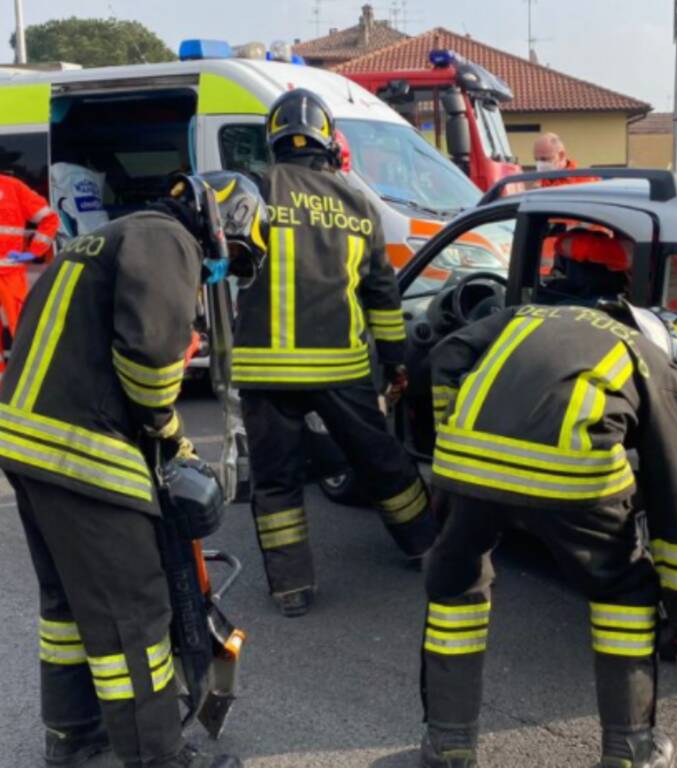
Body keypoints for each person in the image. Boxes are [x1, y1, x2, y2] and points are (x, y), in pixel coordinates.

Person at [0, 170, 267, 768]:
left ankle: (72, 737)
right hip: (83, 454)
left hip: (31, 448)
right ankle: (158, 757)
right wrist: (173, 440)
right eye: (224, 263)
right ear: (224, 224)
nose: (213, 277)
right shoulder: (168, 239)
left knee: (69, 609)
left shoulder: (105, 237)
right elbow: (148, 360)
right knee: (134, 617)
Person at [419, 266, 677, 766]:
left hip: (465, 465)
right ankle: (629, 748)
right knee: (624, 591)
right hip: (573, 476)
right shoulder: (652, 363)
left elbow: (447, 352)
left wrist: (454, 427)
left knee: (456, 586)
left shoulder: (528, 316)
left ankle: (448, 744)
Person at [232, 88, 437, 618]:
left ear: (275, 139)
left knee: (275, 481)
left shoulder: (253, 188)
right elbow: (382, 296)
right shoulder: (357, 202)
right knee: (382, 460)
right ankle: (425, 546)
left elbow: (225, 263)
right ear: (327, 141)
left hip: (265, 371)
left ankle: (292, 588)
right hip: (341, 368)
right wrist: (394, 360)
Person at [0, 173, 59, 367]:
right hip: (11, 274)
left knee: (25, 333)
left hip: (11, 275)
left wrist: (33, 252)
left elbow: (49, 218)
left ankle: (29, 381)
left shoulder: (12, 187)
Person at [532, 132, 600, 187]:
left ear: (561, 155)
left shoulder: (586, 181)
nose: (540, 164)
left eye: (544, 159)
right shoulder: (539, 183)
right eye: (536, 160)